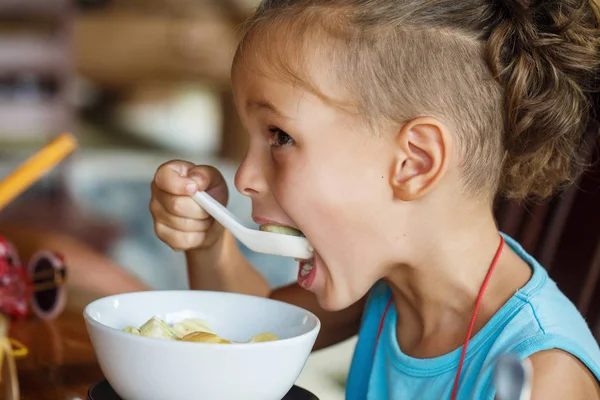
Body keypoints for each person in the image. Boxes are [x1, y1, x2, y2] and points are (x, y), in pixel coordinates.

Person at [149, 0, 600, 398]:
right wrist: (210, 243)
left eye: (280, 136)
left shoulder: (541, 375)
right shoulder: (386, 288)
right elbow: (251, 331)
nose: (245, 177)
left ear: (414, 163)